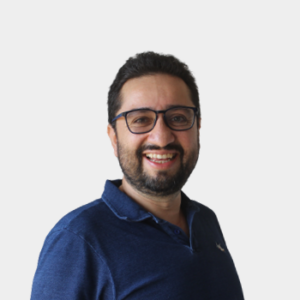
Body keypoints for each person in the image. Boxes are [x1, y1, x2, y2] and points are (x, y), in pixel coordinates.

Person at [31, 52, 244, 300]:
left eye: (178, 118)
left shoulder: (206, 221)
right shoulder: (77, 241)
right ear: (114, 137)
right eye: (141, 120)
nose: (162, 138)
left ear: (197, 128)